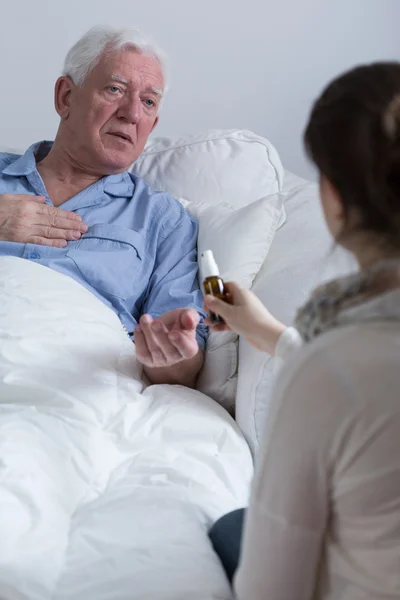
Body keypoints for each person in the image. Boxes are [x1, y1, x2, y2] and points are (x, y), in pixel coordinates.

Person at [206, 62, 400, 599]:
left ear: (333, 195)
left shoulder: (332, 369)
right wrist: (266, 330)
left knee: (231, 525)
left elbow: (272, 589)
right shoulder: (338, 360)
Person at [0, 26, 207, 388]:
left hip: (73, 383)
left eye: (148, 102)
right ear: (65, 97)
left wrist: (171, 355)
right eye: (115, 89)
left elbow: (179, 365)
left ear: (153, 124)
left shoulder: (163, 220)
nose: (131, 113)